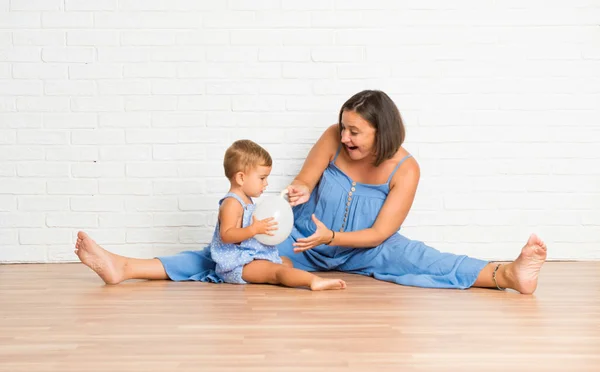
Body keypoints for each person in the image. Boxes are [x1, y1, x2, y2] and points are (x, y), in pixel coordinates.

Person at [75, 90, 547, 294]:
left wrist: (333, 239)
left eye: (356, 133)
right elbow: (304, 180)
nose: (345, 139)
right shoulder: (330, 137)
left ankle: (510, 276)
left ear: (381, 132)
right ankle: (125, 267)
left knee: (430, 260)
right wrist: (297, 195)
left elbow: (382, 230)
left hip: (364, 250)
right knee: (224, 256)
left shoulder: (407, 168)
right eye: (344, 129)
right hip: (302, 239)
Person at [76, 140, 346, 291]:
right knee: (277, 272)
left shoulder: (246, 200)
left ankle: (122, 267)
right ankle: (313, 282)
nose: (266, 184)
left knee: (281, 261)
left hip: (244, 256)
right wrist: (254, 230)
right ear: (241, 177)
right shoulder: (232, 203)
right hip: (237, 262)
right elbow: (229, 236)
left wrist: (285, 202)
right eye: (262, 178)